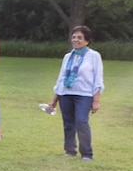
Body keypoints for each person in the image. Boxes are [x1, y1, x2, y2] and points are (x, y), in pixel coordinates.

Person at [44, 26, 104, 161]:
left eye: (79, 37)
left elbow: (98, 79)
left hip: (84, 95)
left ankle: (87, 154)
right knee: (68, 123)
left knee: (81, 122)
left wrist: (96, 101)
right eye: (74, 37)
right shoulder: (68, 56)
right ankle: (70, 150)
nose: (75, 40)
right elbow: (61, 79)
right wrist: (54, 100)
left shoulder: (94, 56)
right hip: (65, 94)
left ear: (87, 41)